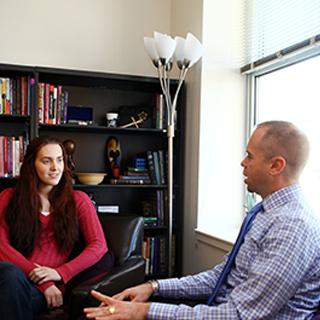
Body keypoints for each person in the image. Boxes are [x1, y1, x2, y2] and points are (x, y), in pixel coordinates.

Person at [83, 120, 320, 319]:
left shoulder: (292, 227)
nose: (242, 162)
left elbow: (240, 315)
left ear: (275, 165)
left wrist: (144, 312)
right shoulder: (264, 213)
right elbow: (221, 277)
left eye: (249, 155)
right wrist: (153, 287)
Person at [0, 136, 111, 320]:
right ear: (31, 165)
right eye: (46, 161)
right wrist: (44, 282)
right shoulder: (9, 197)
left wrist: (60, 273)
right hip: (18, 278)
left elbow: (99, 246)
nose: (55, 168)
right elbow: (1, 246)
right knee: (9, 275)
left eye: (60, 160)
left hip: (43, 290)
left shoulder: (79, 201)